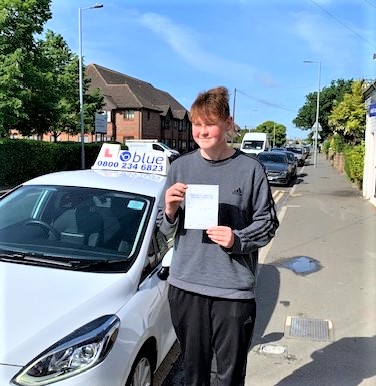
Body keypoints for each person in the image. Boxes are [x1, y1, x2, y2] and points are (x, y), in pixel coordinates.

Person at [157, 86, 279, 385]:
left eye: (209, 123)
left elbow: (268, 223)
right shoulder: (179, 167)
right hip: (186, 288)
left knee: (230, 376)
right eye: (196, 124)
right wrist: (170, 209)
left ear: (228, 123)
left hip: (232, 292)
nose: (202, 131)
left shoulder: (250, 170)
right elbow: (163, 227)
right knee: (193, 373)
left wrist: (238, 239)